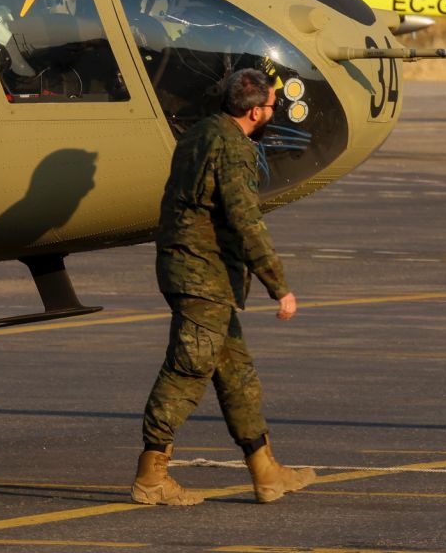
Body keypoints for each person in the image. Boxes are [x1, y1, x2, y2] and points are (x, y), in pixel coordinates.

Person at [132, 67, 317, 506]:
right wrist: (279, 286)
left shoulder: (200, 133)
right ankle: (151, 474)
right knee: (188, 370)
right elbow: (245, 219)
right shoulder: (233, 149)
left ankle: (266, 471)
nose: (275, 112)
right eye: (272, 106)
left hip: (196, 272)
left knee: (237, 376)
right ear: (255, 111)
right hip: (203, 275)